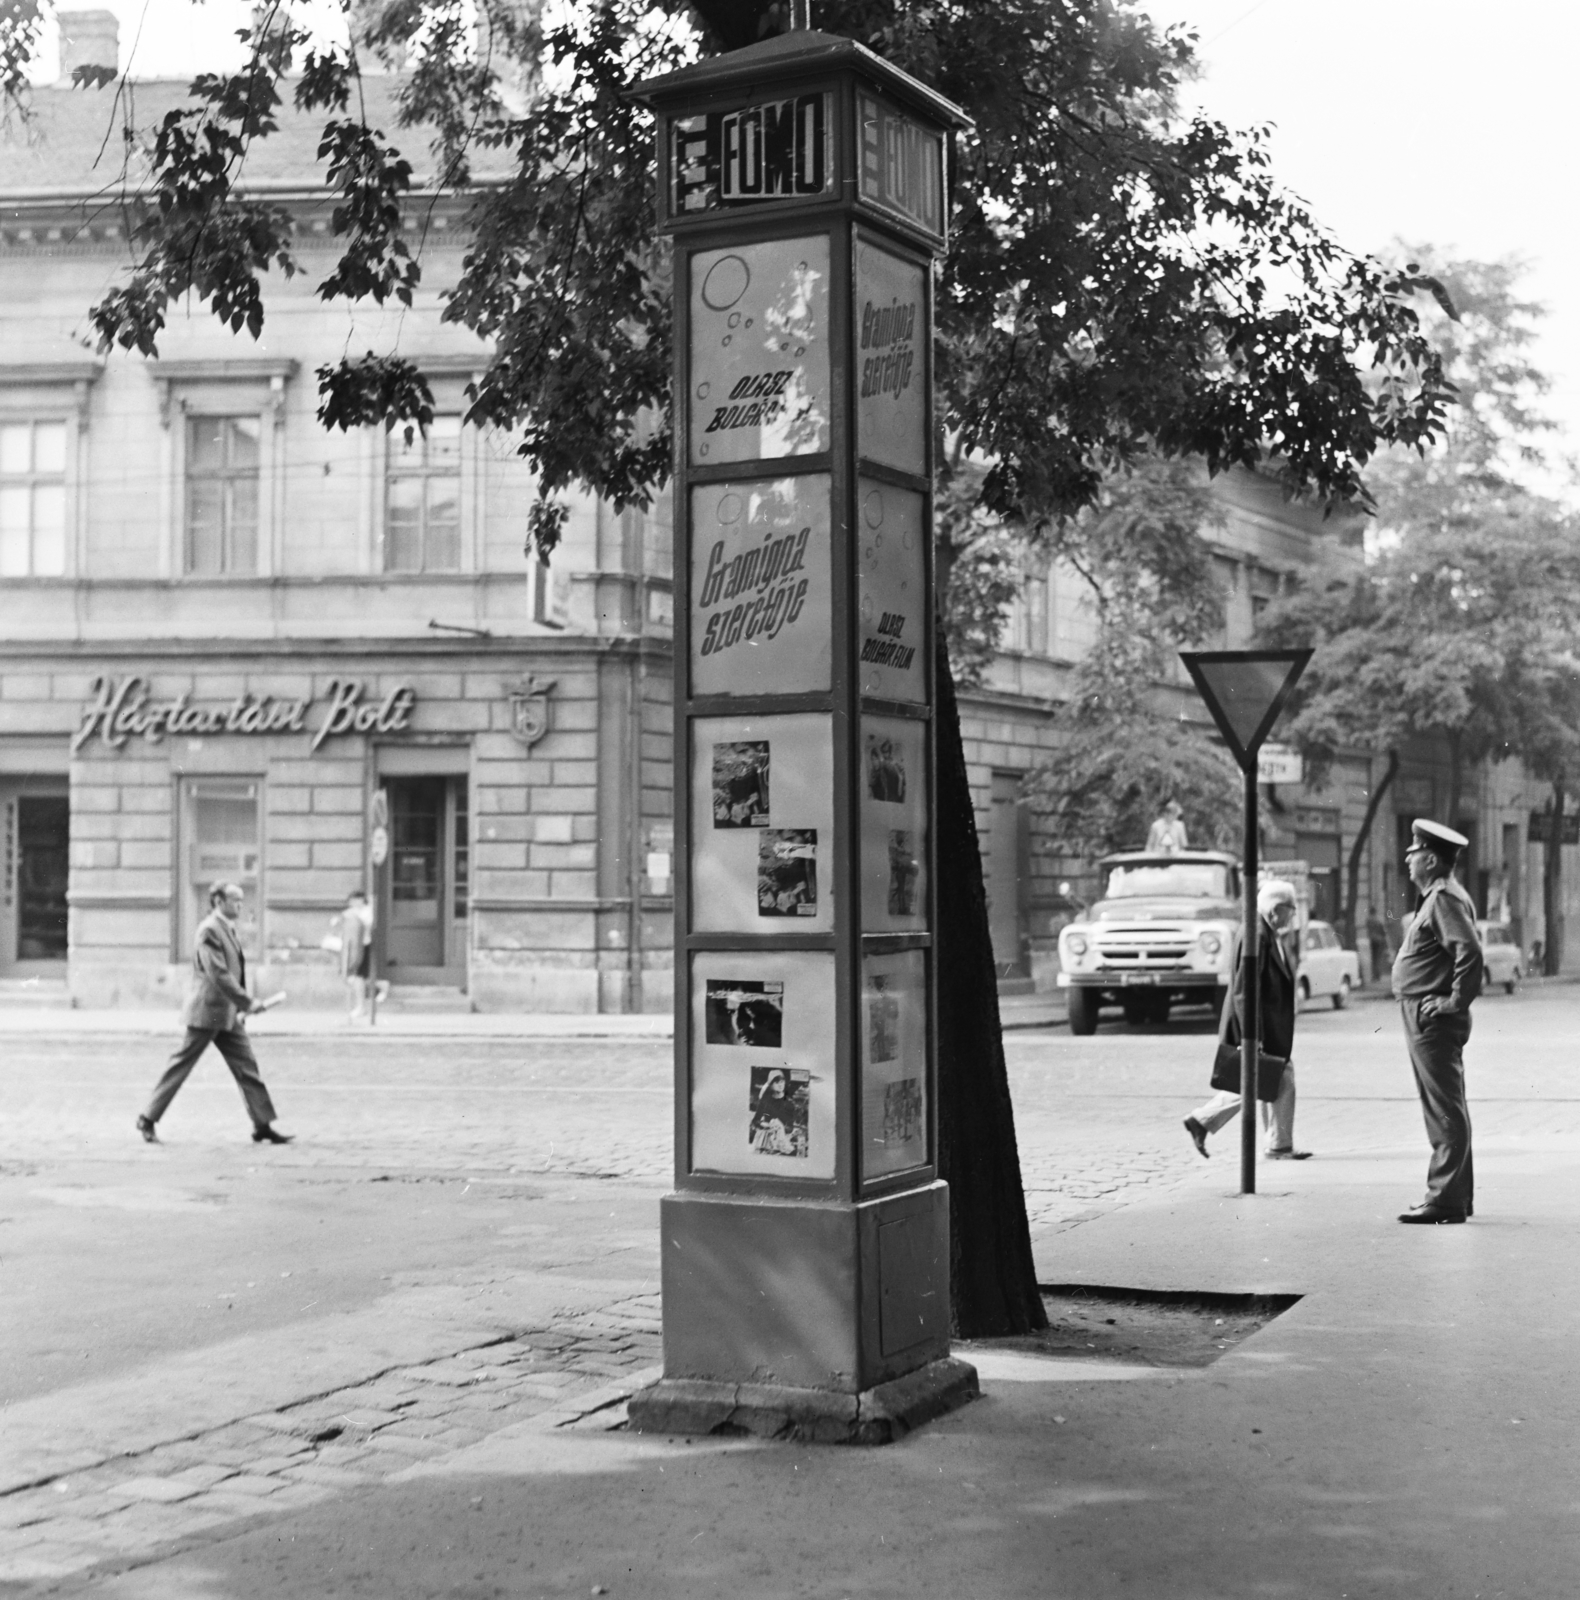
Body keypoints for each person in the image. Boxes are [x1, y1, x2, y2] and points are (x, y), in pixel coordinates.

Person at [135, 882, 292, 1145]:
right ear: (219, 902)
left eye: (242, 900)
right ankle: (147, 1118)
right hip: (207, 1011)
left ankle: (262, 1125)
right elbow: (217, 972)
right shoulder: (209, 929)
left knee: (247, 1066)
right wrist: (246, 1002)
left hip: (226, 1013)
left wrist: (240, 1005)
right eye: (235, 900)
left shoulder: (226, 928)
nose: (241, 905)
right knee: (181, 1065)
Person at [1392, 819, 1482, 1224]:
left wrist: (1453, 1002)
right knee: (1447, 1104)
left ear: (1430, 859)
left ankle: (1444, 1199)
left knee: (1443, 1107)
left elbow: (1469, 952)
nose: (1408, 860)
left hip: (1431, 1017)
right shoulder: (1438, 895)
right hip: (1426, 1013)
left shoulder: (1443, 897)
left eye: (1413, 854)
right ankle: (1454, 1196)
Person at [1183, 878, 1309, 1160]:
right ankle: (1276, 1143)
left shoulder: (1265, 932)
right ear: (1276, 908)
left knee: (1269, 1079)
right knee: (1273, 1077)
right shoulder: (1257, 934)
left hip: (1262, 1027)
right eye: (1291, 908)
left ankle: (1209, 1122)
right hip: (1256, 1029)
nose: (1293, 915)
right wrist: (1253, 1037)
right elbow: (1245, 989)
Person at [338, 890, 387, 1020]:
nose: (352, 903)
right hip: (351, 946)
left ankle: (361, 1006)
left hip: (362, 946)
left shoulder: (366, 911)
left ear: (360, 900)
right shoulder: (353, 911)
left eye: (355, 900)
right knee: (355, 977)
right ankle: (380, 986)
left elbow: (365, 924)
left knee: (358, 976)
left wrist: (353, 914)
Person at [1365, 904, 1389, 984]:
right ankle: (1377, 975)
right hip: (1379, 940)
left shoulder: (1368, 920)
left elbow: (1368, 929)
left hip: (1372, 940)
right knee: (1378, 958)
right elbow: (1383, 931)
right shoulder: (1378, 920)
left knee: (1373, 958)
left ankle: (1374, 975)